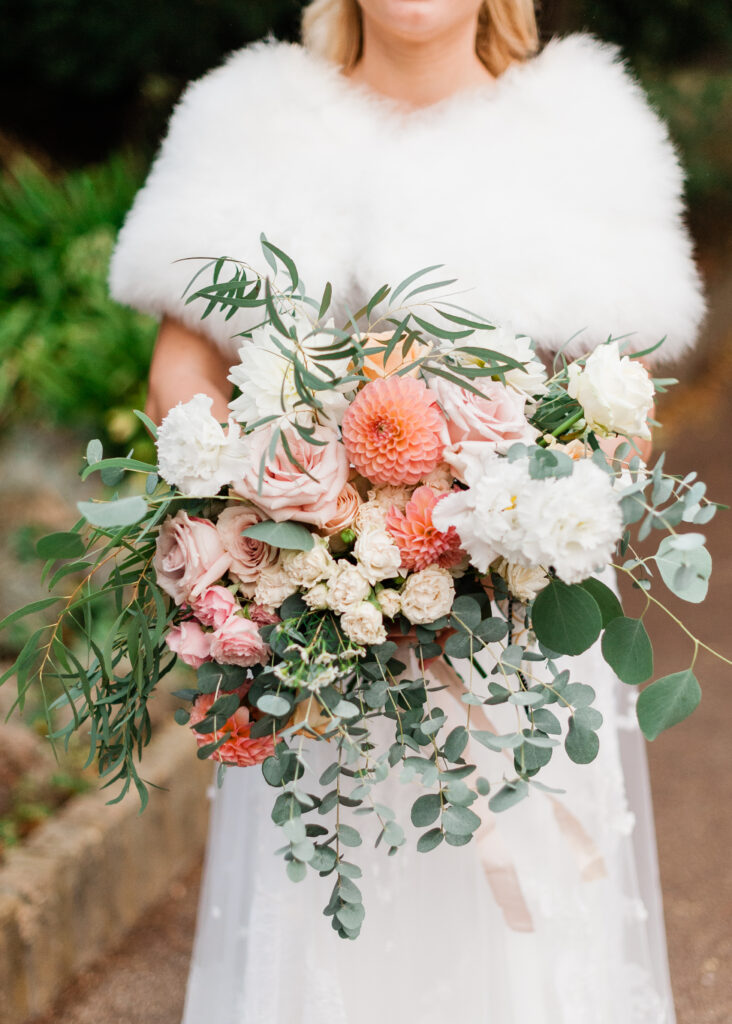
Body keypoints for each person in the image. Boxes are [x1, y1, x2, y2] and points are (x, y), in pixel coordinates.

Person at [108, 2, 706, 1021]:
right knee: (338, 936)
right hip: (319, 647)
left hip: (515, 648)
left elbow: (626, 410)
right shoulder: (253, 119)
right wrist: (292, 524)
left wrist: (506, 517)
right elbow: (183, 369)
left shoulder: (582, 129)